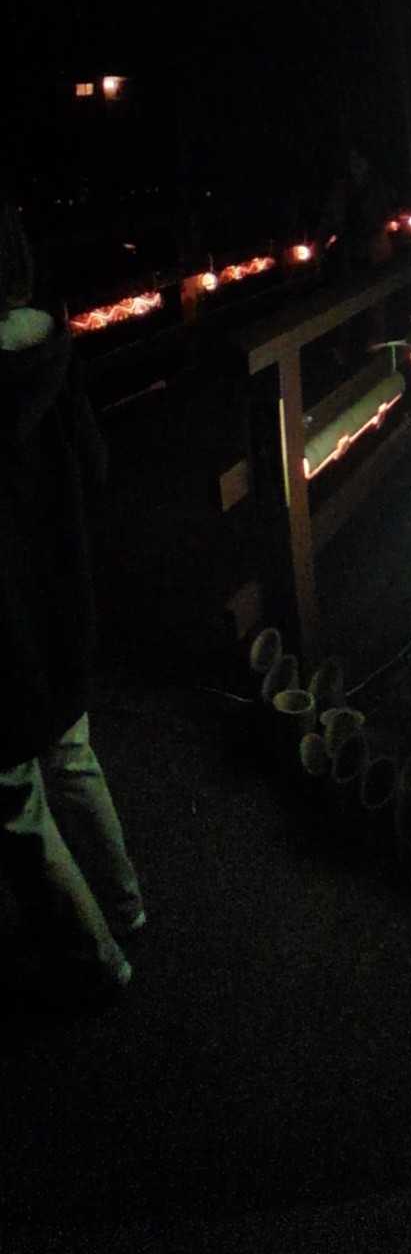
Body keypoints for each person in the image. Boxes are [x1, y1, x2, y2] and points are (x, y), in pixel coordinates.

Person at [0, 185, 144, 1014]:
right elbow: (94, 467)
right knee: (73, 759)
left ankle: (96, 960)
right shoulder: (53, 351)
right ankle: (126, 907)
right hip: (62, 604)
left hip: (4, 634)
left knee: (15, 803)